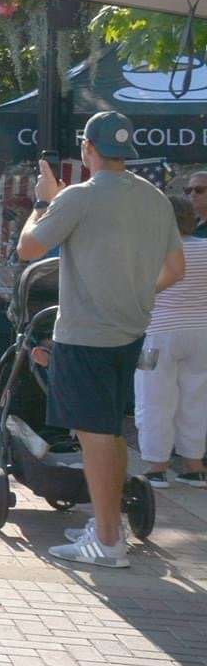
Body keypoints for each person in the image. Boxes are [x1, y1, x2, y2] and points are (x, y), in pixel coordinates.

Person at [22, 114, 186, 567]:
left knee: (94, 437)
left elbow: (28, 250)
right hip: (130, 331)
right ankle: (108, 525)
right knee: (110, 433)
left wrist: (42, 202)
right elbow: (176, 271)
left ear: (87, 148)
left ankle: (109, 540)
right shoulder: (155, 199)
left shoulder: (78, 197)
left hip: (83, 334)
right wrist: (134, 290)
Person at [134, 193, 207, 487]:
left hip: (158, 333)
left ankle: (156, 465)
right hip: (201, 332)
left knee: (153, 399)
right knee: (196, 399)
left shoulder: (151, 252)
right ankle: (194, 465)